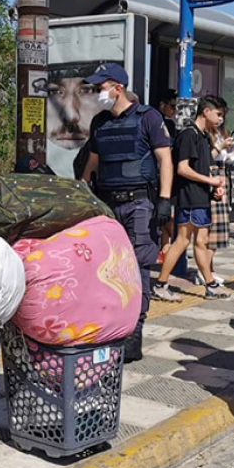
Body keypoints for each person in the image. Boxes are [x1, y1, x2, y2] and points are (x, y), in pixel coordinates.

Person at [80, 63, 174, 362]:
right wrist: (81, 196)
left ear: (117, 88)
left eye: (101, 88)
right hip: (108, 204)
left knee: (139, 267)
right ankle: (112, 326)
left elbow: (165, 160)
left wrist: (164, 200)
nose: (97, 94)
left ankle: (135, 332)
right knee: (107, 267)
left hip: (140, 203)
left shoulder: (148, 118)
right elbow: (91, 165)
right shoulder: (100, 122)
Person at [153, 96, 229, 301]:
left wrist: (212, 186)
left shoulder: (203, 136)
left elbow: (199, 168)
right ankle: (161, 283)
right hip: (189, 197)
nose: (220, 119)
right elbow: (182, 168)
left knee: (200, 242)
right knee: (182, 240)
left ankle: (210, 283)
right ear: (206, 111)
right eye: (219, 114)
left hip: (200, 196)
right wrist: (210, 181)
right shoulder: (189, 135)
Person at [206, 114, 234, 281]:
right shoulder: (206, 135)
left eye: (223, 115)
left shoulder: (220, 133)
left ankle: (210, 268)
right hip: (213, 178)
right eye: (218, 114)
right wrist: (221, 146)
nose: (220, 118)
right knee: (214, 229)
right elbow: (208, 157)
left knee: (219, 229)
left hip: (222, 175)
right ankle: (206, 271)